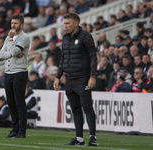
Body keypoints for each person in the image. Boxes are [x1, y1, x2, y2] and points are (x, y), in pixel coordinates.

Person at [54, 13, 98, 146]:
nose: (65, 26)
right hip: (69, 80)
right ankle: (79, 138)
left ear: (76, 24)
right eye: (64, 24)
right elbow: (63, 58)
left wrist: (93, 76)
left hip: (83, 79)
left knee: (87, 107)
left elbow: (93, 57)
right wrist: (57, 76)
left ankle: (92, 138)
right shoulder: (65, 38)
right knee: (75, 109)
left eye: (67, 23)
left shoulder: (86, 36)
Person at [0, 14, 30, 139]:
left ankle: (22, 131)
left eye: (16, 23)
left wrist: (11, 41)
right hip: (8, 72)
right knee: (11, 103)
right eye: (12, 23)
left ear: (21, 25)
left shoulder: (24, 37)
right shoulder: (9, 37)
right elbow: (1, 54)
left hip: (19, 72)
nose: (13, 25)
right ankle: (14, 129)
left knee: (19, 103)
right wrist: (12, 53)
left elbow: (13, 51)